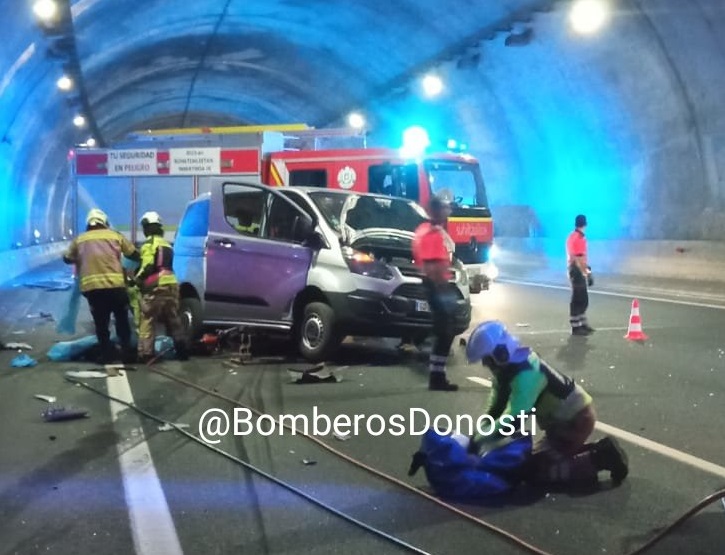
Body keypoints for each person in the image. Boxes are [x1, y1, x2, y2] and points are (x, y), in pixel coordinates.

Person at [465, 320, 629, 486]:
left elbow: (515, 416)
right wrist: (480, 434)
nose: (486, 365)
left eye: (486, 360)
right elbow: (496, 407)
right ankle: (598, 452)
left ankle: (600, 459)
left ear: (500, 353)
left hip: (575, 422)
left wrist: (480, 439)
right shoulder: (510, 369)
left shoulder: (526, 374)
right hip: (563, 422)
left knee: (536, 471)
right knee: (537, 457)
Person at [62, 208, 140, 364]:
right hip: (116, 288)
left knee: (101, 324)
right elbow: (133, 254)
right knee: (122, 320)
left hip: (94, 290)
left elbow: (67, 258)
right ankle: (128, 354)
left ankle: (106, 356)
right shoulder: (115, 236)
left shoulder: (80, 240)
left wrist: (81, 257)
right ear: (104, 222)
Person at [412, 194, 459, 391]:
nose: (448, 212)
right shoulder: (430, 233)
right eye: (445, 208)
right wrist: (443, 289)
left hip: (436, 284)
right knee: (445, 332)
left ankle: (437, 375)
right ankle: (437, 376)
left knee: (443, 331)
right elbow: (432, 265)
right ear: (436, 211)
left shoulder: (427, 230)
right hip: (437, 285)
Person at [134, 211, 189, 363]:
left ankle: (146, 353)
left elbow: (147, 265)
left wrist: (136, 280)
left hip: (157, 285)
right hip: (172, 285)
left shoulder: (149, 244)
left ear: (147, 227)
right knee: (173, 319)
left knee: (148, 319)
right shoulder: (167, 245)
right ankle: (182, 350)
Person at [566, 214, 594, 335]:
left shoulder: (572, 236)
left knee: (581, 298)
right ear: (585, 225)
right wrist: (587, 273)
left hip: (574, 268)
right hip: (577, 269)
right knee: (580, 299)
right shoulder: (579, 238)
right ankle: (576, 327)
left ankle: (582, 323)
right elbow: (580, 259)